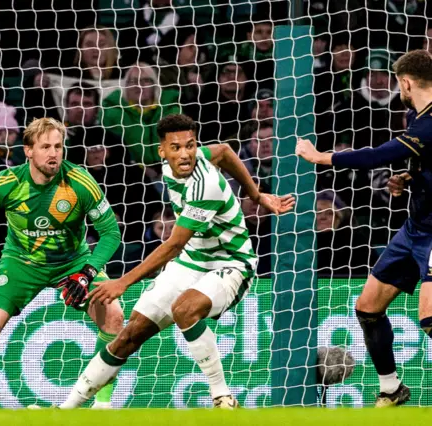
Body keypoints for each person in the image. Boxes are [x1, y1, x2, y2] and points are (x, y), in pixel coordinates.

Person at [295, 49, 432, 408]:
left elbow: (376, 156)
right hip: (415, 227)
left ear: (405, 82)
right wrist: (410, 177)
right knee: (367, 308)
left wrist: (321, 157)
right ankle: (391, 389)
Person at [59, 114, 294, 409]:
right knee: (129, 336)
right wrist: (256, 195)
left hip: (231, 263)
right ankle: (65, 409)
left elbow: (173, 245)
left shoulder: (203, 184)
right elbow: (223, 150)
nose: (185, 154)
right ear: (162, 152)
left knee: (184, 309)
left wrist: (123, 282)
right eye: (176, 147)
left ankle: (223, 397)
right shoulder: (172, 168)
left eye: (191, 146)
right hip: (192, 260)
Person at [0, 118, 124, 410]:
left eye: (58, 146)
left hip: (74, 262)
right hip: (21, 262)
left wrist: (88, 272)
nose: (54, 153)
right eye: (45, 146)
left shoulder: (80, 182)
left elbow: (111, 233)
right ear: (28, 151)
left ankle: (103, 406)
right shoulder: (9, 182)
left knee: (115, 316)